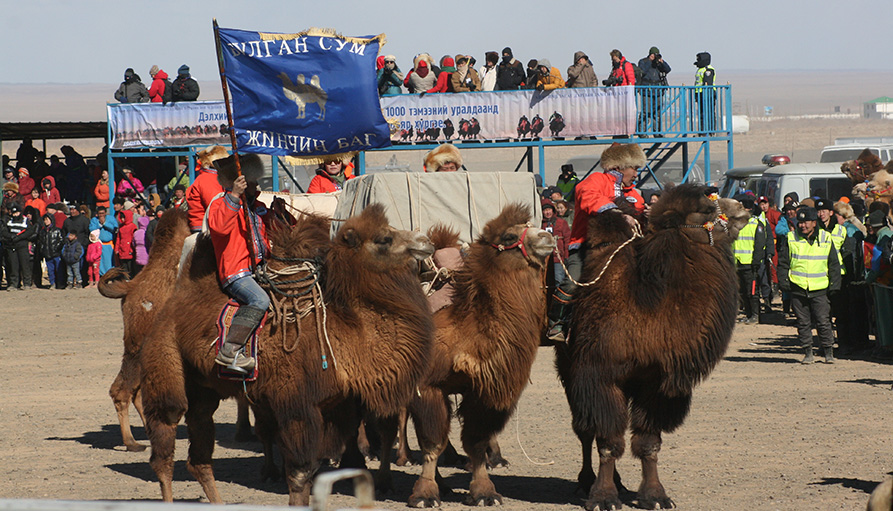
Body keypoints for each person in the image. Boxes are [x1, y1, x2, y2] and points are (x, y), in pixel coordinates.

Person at [547, 143, 646, 341]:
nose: (636, 173)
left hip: (624, 249)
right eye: (634, 168)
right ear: (619, 167)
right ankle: (557, 323)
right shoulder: (596, 180)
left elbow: (640, 213)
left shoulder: (633, 194)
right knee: (571, 284)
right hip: (586, 247)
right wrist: (617, 213)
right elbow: (588, 197)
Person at [207, 154, 270, 373]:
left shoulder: (257, 207)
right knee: (260, 300)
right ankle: (231, 350)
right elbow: (219, 228)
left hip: (259, 270)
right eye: (252, 182)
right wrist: (234, 195)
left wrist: (279, 215)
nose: (256, 185)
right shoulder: (221, 204)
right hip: (236, 273)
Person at [778, 206, 841, 364]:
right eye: (800, 222)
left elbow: (833, 263)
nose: (802, 226)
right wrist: (784, 282)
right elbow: (783, 262)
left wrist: (834, 285)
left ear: (814, 223)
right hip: (798, 287)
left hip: (819, 288)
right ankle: (807, 352)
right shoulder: (791, 238)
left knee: (823, 321)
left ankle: (828, 352)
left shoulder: (826, 238)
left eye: (806, 222)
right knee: (803, 323)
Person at [732, 195, 767, 324]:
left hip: (750, 263)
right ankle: (748, 314)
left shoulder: (756, 224)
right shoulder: (735, 224)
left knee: (752, 291)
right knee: (742, 292)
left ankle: (755, 315)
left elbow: (759, 245)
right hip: (738, 262)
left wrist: (756, 262)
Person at [186, 146, 228, 233]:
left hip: (206, 224)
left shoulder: (208, 177)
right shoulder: (208, 179)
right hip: (206, 227)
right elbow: (214, 204)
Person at [1, 202, 36, 291]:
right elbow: (4, 231)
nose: (15, 215)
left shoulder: (25, 220)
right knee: (13, 266)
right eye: (14, 213)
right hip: (12, 245)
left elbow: (30, 231)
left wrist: (20, 237)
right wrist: (10, 236)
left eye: (17, 213)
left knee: (25, 265)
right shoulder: (9, 221)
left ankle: (27, 283)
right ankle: (14, 284)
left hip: (22, 245)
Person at [637, 47, 671, 134]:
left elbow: (668, 70)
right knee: (646, 112)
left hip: (658, 91)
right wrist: (650, 61)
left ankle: (657, 132)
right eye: (653, 54)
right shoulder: (643, 62)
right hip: (646, 91)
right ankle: (642, 131)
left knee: (657, 112)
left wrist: (661, 62)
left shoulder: (658, 63)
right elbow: (642, 71)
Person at [542, 200, 571, 285]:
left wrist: (566, 256)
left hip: (558, 258)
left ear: (553, 210)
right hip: (544, 259)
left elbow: (567, 239)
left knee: (558, 279)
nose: (547, 212)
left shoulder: (561, 223)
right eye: (545, 210)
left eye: (549, 209)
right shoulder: (540, 225)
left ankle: (558, 297)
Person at [89, 206, 118, 276]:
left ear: (105, 213)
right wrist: (99, 224)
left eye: (103, 213)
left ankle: (110, 276)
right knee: (99, 263)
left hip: (109, 244)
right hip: (98, 244)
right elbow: (91, 229)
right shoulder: (94, 220)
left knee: (109, 262)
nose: (101, 215)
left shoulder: (111, 218)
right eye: (99, 213)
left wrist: (105, 223)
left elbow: (114, 228)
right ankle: (100, 276)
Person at [38, 213, 64, 289]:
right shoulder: (42, 232)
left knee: (59, 269)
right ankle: (52, 283)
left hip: (56, 254)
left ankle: (60, 283)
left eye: (47, 219)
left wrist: (56, 248)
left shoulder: (57, 230)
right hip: (47, 254)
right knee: (50, 270)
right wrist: (43, 249)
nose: (46, 221)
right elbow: (41, 242)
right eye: (44, 220)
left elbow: (61, 240)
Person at [694, 52, 717, 133]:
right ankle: (702, 130)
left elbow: (708, 83)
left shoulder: (708, 70)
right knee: (701, 113)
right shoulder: (700, 69)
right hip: (700, 94)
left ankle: (710, 130)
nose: (697, 60)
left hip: (708, 94)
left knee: (709, 112)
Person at [115, 209, 136, 275]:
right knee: (124, 267)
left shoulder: (133, 226)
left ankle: (130, 278)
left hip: (130, 250)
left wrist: (132, 249)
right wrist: (116, 248)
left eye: (123, 217)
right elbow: (118, 238)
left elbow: (134, 238)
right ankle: (125, 278)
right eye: (121, 217)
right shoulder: (121, 227)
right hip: (122, 250)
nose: (122, 219)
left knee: (130, 267)